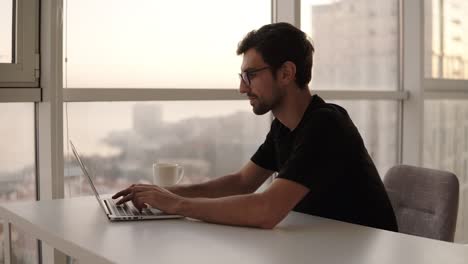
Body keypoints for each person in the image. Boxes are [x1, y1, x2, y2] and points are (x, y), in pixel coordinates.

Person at [112, 22, 398, 232]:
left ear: (286, 73)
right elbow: (241, 182)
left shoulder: (326, 124)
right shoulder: (284, 127)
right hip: (322, 249)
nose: (241, 88)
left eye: (250, 75)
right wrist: (160, 195)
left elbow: (266, 210)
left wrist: (176, 205)